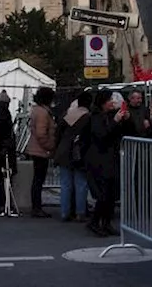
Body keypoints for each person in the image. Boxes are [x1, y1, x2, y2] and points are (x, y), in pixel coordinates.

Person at [85, 88, 134, 237]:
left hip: (111, 158)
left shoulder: (110, 116)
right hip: (98, 159)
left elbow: (127, 132)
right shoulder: (95, 117)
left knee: (111, 193)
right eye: (109, 100)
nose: (112, 103)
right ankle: (94, 222)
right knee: (103, 193)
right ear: (103, 103)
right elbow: (102, 135)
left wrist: (126, 120)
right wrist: (115, 122)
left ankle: (106, 222)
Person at [54, 90, 92, 222]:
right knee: (81, 184)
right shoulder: (88, 117)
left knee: (65, 184)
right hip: (79, 154)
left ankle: (65, 212)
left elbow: (57, 134)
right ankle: (80, 212)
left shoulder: (66, 115)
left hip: (63, 152)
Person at [24, 86, 57, 217]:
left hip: (35, 148)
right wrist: (50, 146)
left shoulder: (36, 110)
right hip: (41, 150)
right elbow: (41, 133)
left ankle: (36, 206)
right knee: (39, 179)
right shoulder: (43, 113)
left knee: (37, 179)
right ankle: (37, 207)